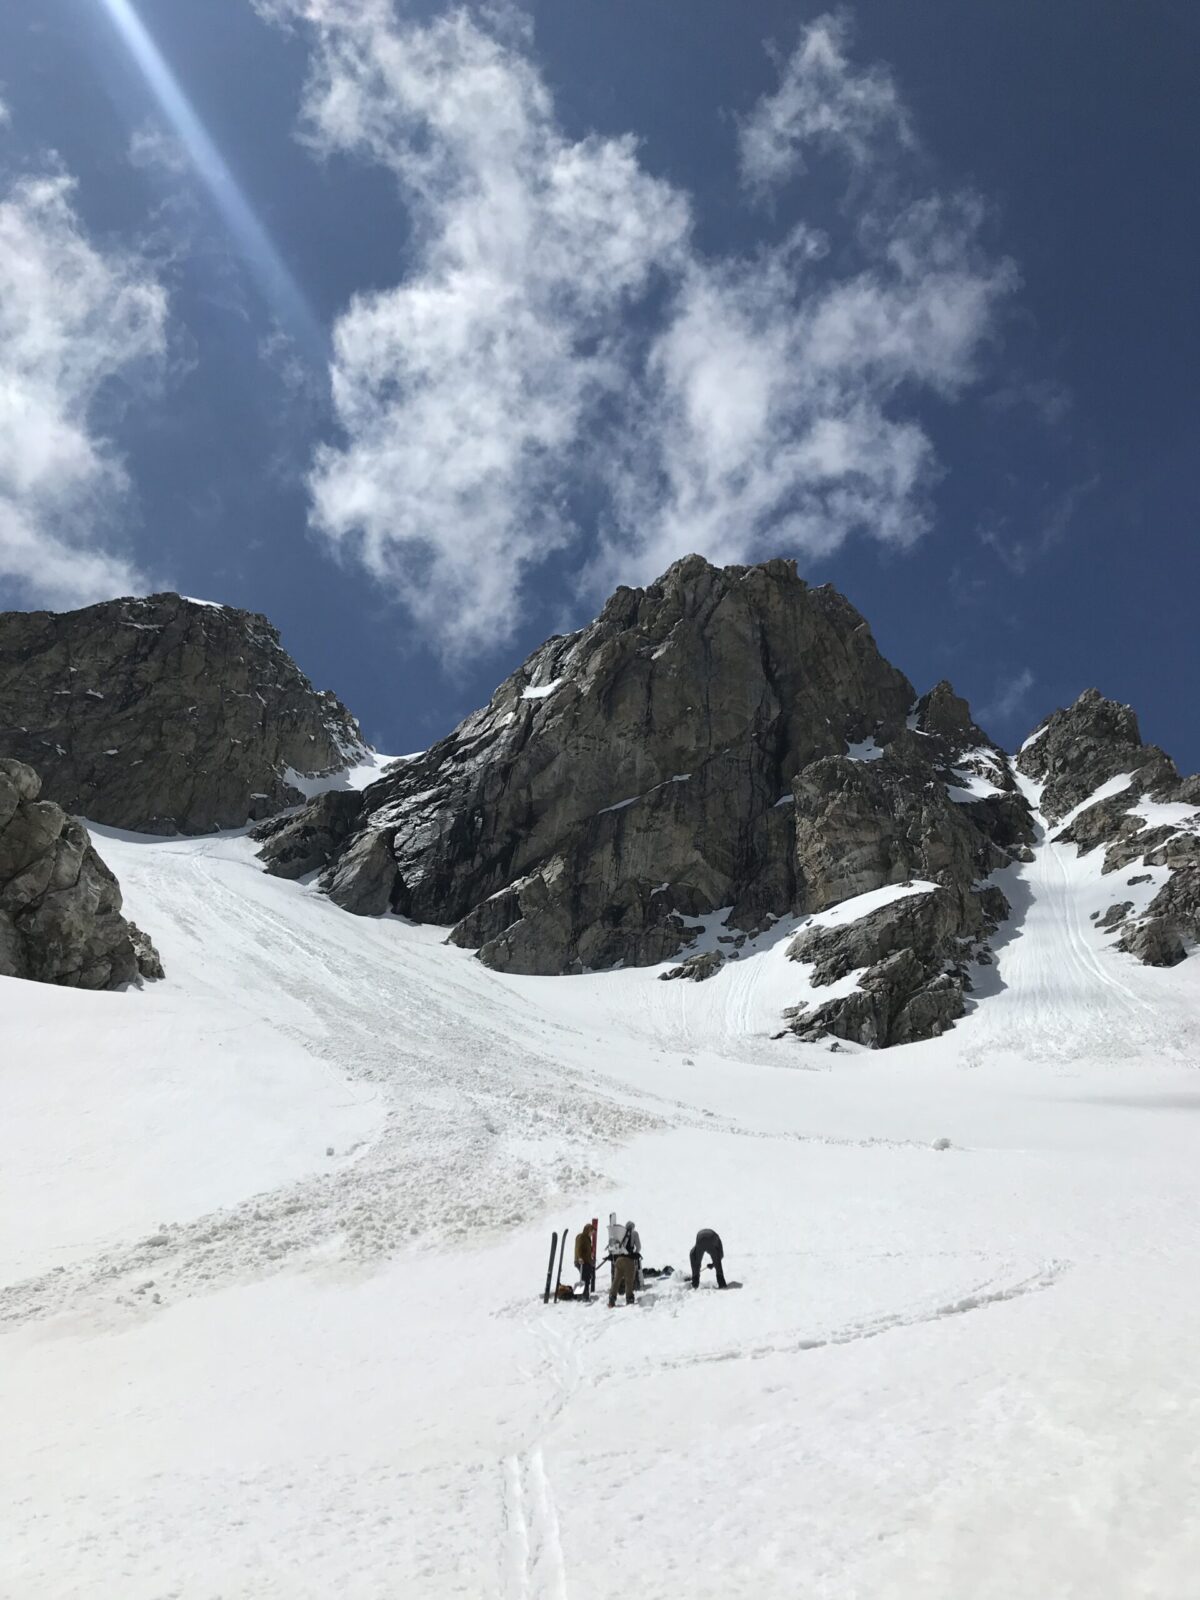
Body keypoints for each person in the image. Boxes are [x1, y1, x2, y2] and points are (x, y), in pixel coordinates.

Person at [608, 1219, 641, 1308]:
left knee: (616, 1279)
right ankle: (629, 1298)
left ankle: (612, 1298)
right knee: (629, 1281)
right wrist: (635, 1253)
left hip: (619, 1260)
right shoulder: (634, 1233)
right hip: (629, 1260)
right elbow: (638, 1247)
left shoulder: (620, 1233)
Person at [574, 1222, 596, 1302]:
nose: (591, 1234)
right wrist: (579, 1258)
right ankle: (584, 1295)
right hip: (581, 1261)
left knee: (586, 1278)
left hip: (586, 1261)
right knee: (585, 1278)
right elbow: (578, 1248)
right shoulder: (581, 1237)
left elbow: (587, 1250)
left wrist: (591, 1256)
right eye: (591, 1232)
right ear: (587, 1230)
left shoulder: (587, 1238)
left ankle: (584, 1295)